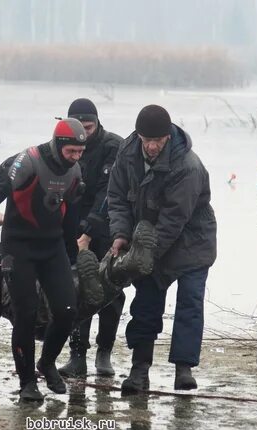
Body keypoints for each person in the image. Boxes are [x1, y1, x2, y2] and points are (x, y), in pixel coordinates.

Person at [0, 118, 86, 401]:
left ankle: (47, 362)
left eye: (80, 152)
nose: (76, 157)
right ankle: (28, 382)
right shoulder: (28, 161)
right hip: (19, 248)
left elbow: (70, 214)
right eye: (72, 152)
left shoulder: (75, 171)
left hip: (51, 248)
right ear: (59, 145)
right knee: (25, 314)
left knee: (67, 311)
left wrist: (74, 251)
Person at [107, 105, 217, 393]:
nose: (153, 146)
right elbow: (116, 197)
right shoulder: (126, 154)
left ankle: (184, 369)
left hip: (193, 240)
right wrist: (120, 233)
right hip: (146, 235)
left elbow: (173, 219)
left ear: (168, 137)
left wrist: (144, 255)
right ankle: (139, 369)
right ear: (139, 136)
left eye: (159, 140)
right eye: (148, 140)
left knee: (190, 303)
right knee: (146, 300)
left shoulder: (188, 166)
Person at [58, 98, 125, 378]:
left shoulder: (113, 146)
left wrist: (88, 232)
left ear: (97, 123)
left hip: (107, 225)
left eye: (90, 127)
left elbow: (108, 192)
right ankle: (76, 354)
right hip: (73, 224)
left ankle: (104, 352)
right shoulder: (64, 144)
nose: (85, 134)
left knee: (110, 290)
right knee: (75, 288)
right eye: (80, 129)